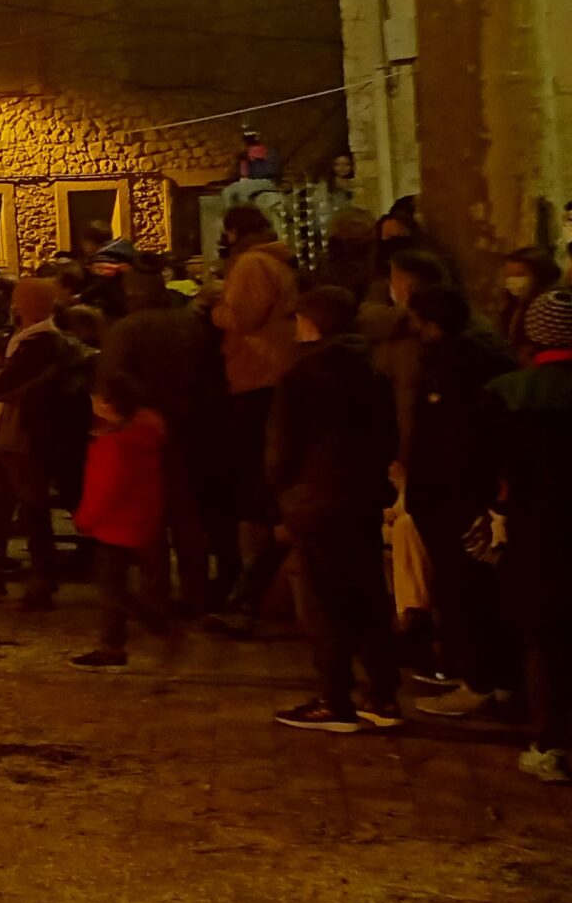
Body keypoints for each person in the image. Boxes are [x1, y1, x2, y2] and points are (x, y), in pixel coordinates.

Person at [270, 288, 405, 733]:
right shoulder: (371, 369)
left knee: (325, 601)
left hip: (317, 496)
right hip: (360, 494)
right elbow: (389, 432)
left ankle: (335, 699)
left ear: (311, 322)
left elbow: (284, 446)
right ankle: (382, 694)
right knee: (366, 592)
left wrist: (279, 493)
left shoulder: (303, 374)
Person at [403, 286, 520, 717]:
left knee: (465, 588)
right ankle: (493, 677)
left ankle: (480, 680)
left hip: (455, 496)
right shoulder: (483, 356)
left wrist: (432, 490)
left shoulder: (453, 367)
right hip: (470, 493)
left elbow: (452, 441)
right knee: (476, 588)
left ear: (432, 325)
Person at [474, 287, 572, 781]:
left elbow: (490, 473)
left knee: (545, 640)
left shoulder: (507, 393)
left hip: (539, 535)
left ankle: (551, 743)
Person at [99, 265, 225, 616]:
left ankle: (156, 596)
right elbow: (212, 377)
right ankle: (195, 592)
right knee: (187, 518)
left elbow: (110, 380)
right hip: (189, 429)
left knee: (149, 518)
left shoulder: (126, 330)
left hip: (142, 434)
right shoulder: (190, 326)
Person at [0, 274, 81, 607]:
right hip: (7, 435)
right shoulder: (27, 339)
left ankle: (42, 582)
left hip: (24, 438)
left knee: (33, 512)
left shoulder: (41, 345)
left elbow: (1, 384)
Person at [208, 203, 300, 633]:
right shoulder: (277, 261)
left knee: (255, 489)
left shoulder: (250, 264)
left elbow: (242, 317)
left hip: (256, 376)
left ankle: (252, 595)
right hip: (270, 373)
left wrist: (214, 308)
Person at [70, 371, 167, 669]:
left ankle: (114, 645)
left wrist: (84, 519)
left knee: (111, 589)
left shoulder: (115, 446)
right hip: (138, 518)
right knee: (117, 585)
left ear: (107, 404)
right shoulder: (144, 433)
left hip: (114, 525)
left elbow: (105, 489)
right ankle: (146, 620)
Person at [498, 245, 564, 364]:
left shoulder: (551, 308)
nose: (512, 280)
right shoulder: (513, 304)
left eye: (520, 274)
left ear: (540, 276)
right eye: (508, 275)